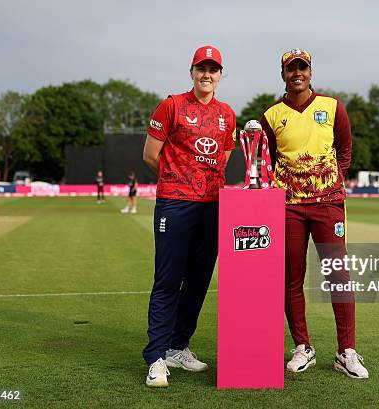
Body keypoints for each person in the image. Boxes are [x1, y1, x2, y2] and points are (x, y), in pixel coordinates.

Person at [260, 48, 369, 379]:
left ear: (310, 71)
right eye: (291, 69)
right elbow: (268, 158)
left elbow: (345, 151)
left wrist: (330, 184)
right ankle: (302, 347)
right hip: (289, 206)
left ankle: (346, 351)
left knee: (338, 275)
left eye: (302, 68)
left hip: (328, 205)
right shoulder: (270, 115)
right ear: (283, 75)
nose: (297, 74)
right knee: (291, 277)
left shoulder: (332, 107)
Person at [141, 45, 236, 388]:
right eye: (201, 68)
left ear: (220, 74)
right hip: (175, 204)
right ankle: (155, 358)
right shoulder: (171, 106)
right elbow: (151, 155)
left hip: (212, 207)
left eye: (213, 69)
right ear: (192, 71)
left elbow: (223, 160)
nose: (206, 75)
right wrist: (176, 181)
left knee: (197, 282)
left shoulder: (228, 114)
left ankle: (178, 347)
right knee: (168, 281)